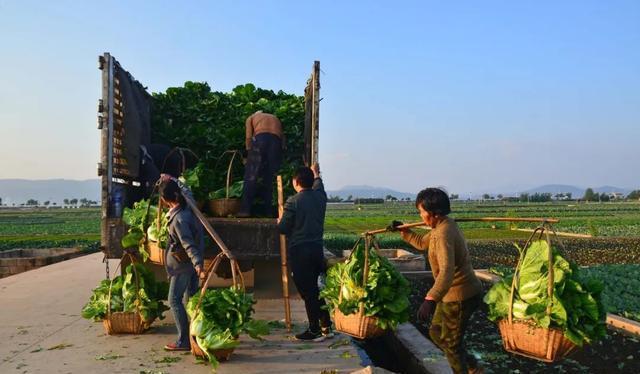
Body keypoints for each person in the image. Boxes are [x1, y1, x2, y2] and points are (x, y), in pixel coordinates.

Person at [391, 188, 483, 374]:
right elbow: (422, 243)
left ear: (434, 213)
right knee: (436, 332)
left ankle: (467, 369)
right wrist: (405, 231)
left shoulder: (443, 233)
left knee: (451, 344)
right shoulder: (439, 227)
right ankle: (473, 366)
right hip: (449, 294)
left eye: (422, 212)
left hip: (460, 295)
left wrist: (430, 299)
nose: (421, 215)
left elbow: (447, 271)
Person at [277, 164, 333, 341]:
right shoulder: (320, 196)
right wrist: (316, 174)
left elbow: (283, 228)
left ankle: (314, 329)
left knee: (307, 291)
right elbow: (319, 184)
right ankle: (326, 325)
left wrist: (279, 220)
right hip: (317, 250)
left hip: (300, 251)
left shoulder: (293, 201)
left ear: (296, 182)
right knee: (314, 290)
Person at [159, 178, 205, 351]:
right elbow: (186, 189)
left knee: (174, 299)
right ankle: (195, 336)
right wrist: (172, 178)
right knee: (191, 299)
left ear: (165, 200)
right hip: (190, 265)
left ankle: (183, 340)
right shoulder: (189, 203)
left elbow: (188, 244)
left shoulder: (179, 219)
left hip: (183, 266)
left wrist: (198, 264)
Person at [239, 111, 286, 217]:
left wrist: (248, 154)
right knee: (270, 178)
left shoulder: (251, 117)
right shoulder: (275, 118)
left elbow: (248, 137)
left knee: (251, 176)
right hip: (276, 141)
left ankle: (245, 211)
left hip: (260, 140)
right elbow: (283, 139)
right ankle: (269, 212)